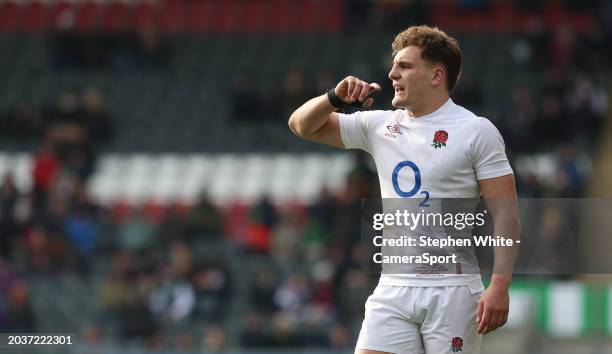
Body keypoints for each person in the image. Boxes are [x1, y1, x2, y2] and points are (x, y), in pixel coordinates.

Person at [288, 25, 520, 354]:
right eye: (394, 65)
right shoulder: (380, 125)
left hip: (451, 288)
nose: (392, 73)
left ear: (437, 75)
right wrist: (333, 98)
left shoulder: (476, 131)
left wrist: (500, 283)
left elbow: (506, 214)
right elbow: (301, 125)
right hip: (393, 286)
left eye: (405, 66)